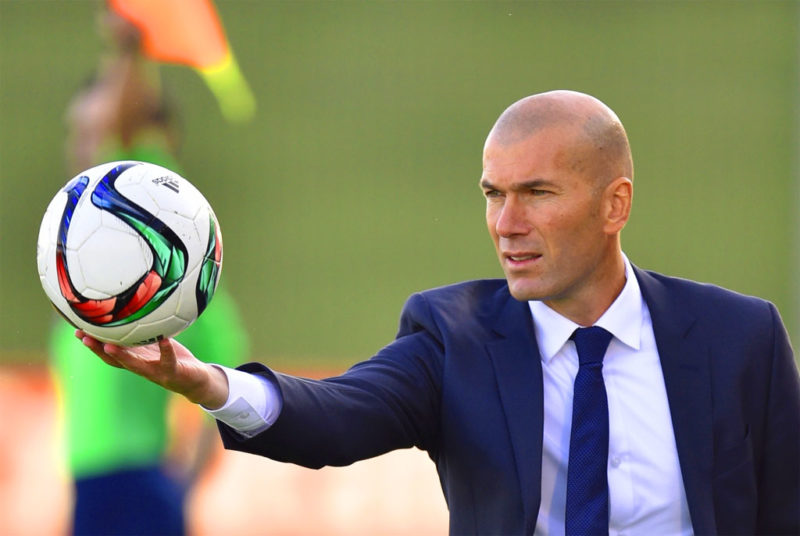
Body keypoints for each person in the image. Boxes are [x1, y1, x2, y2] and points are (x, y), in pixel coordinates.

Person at [78, 90, 800, 535]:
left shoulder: (741, 339)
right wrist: (209, 385)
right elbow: (337, 415)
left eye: (538, 193)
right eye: (493, 194)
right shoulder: (453, 337)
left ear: (616, 204)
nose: (505, 223)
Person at [52, 10, 249, 536]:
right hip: (94, 483)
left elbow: (228, 363)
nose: (82, 142)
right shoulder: (96, 254)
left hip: (133, 482)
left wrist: (128, 50)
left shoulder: (143, 210)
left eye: (90, 128)